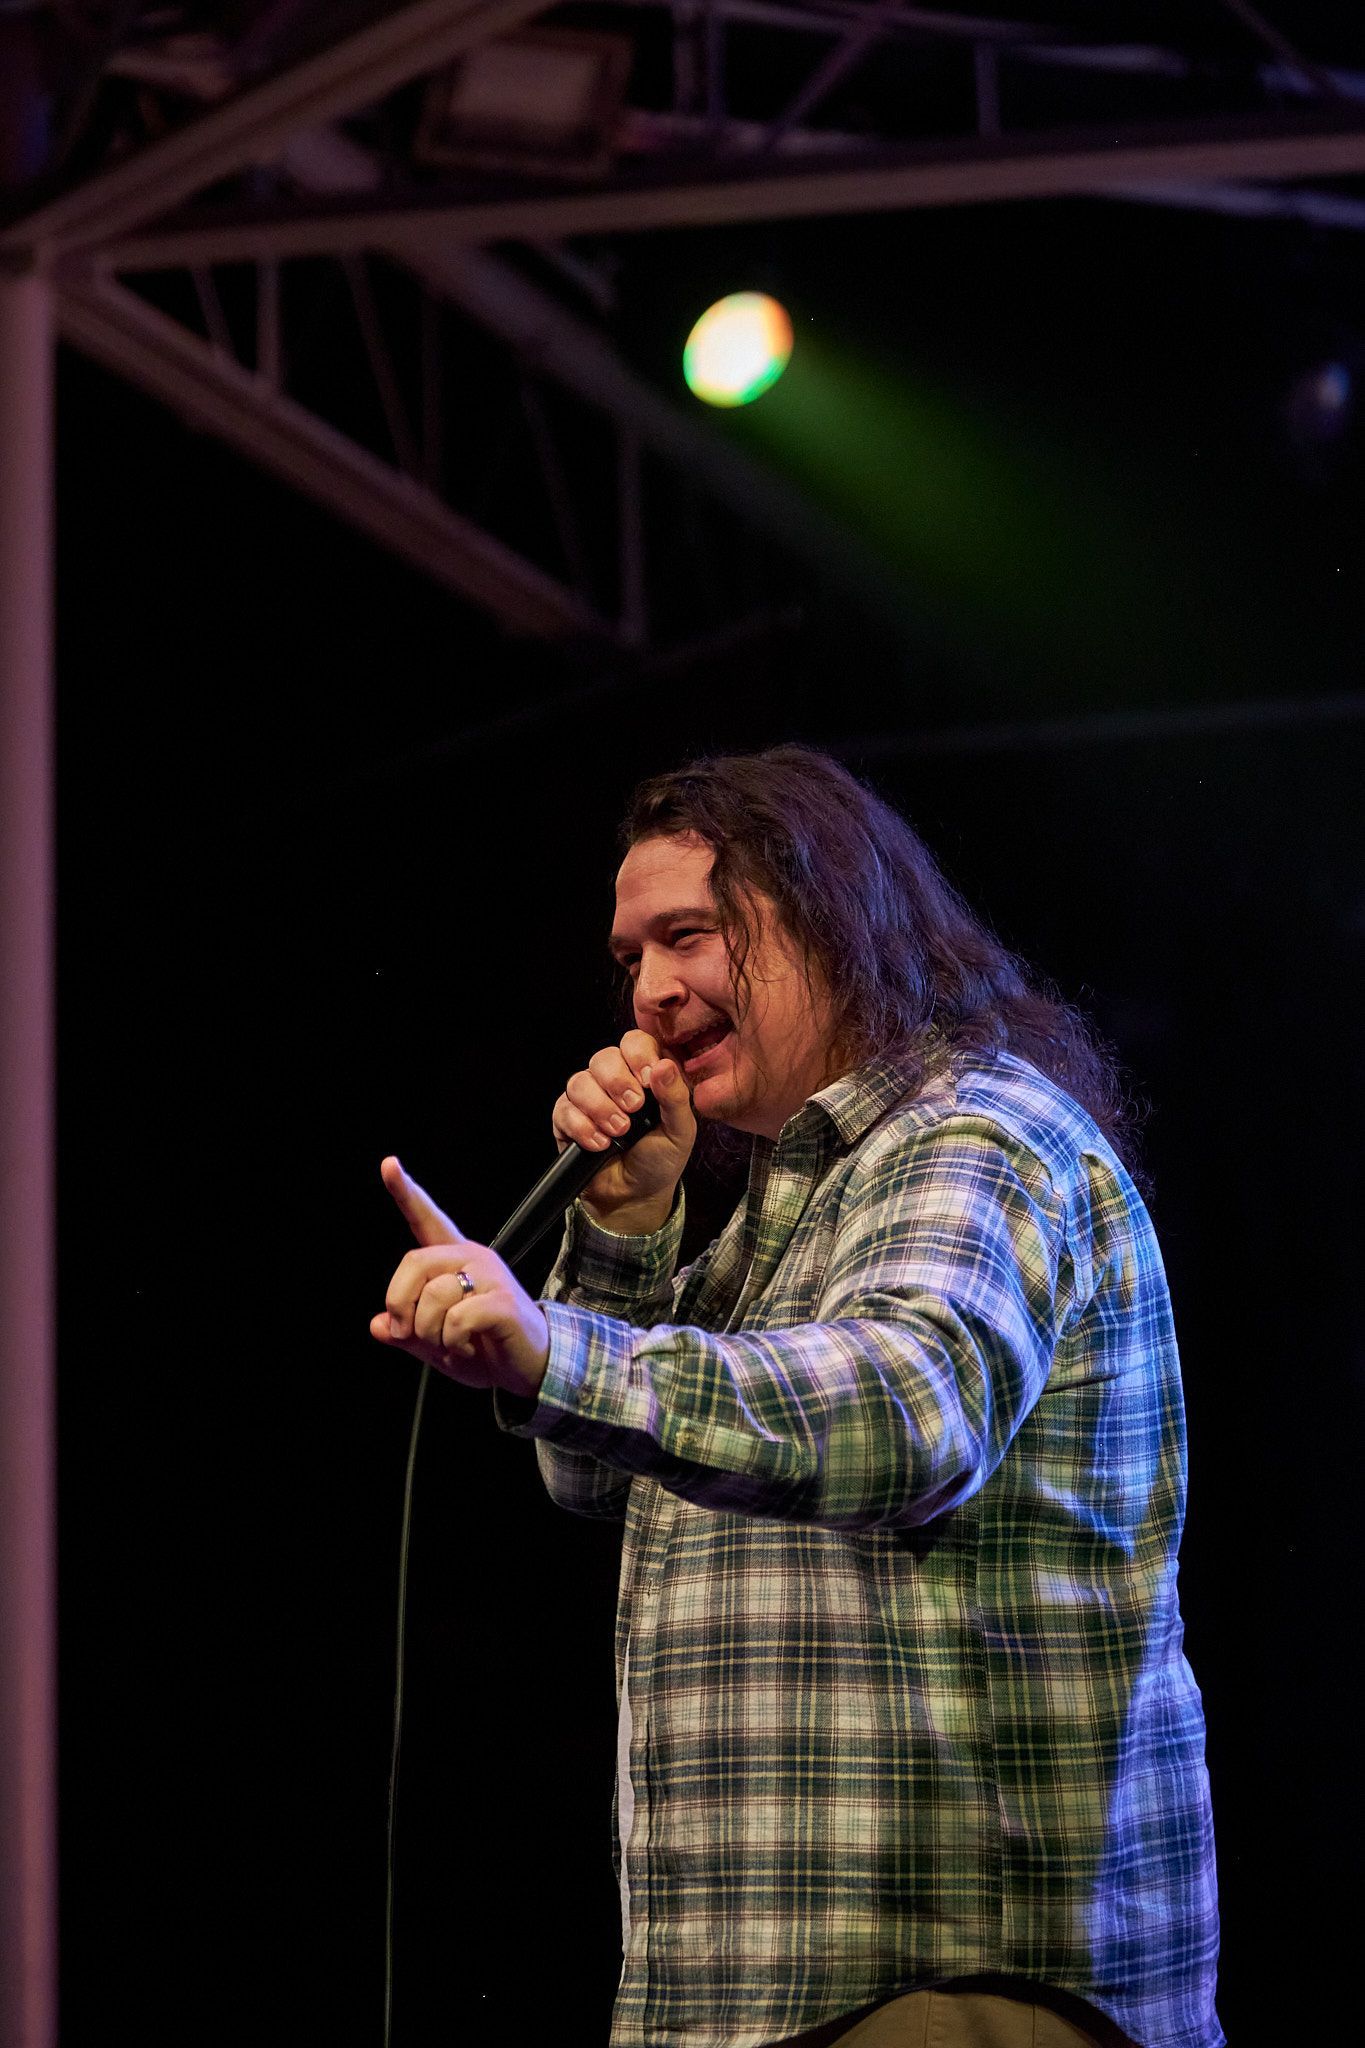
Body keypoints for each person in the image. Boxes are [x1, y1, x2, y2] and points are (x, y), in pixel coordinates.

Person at [370, 746, 1222, 2048]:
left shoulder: (976, 1134)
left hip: (953, 1990)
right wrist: (624, 1222)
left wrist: (551, 1349)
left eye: (687, 935)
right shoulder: (785, 1209)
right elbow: (592, 1471)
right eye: (628, 957)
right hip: (765, 2000)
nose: (647, 991)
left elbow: (899, 1408)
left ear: (829, 910)